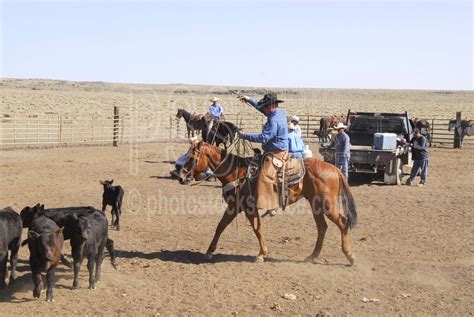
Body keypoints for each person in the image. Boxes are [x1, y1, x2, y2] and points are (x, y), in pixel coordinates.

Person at [238, 93, 288, 214]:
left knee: (264, 177)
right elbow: (261, 108)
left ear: (271, 106)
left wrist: (245, 136)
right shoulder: (279, 112)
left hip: (276, 153)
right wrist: (249, 100)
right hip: (277, 150)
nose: (264, 108)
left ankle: (272, 205)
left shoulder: (273, 121)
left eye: (265, 106)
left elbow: (263, 138)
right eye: (264, 106)